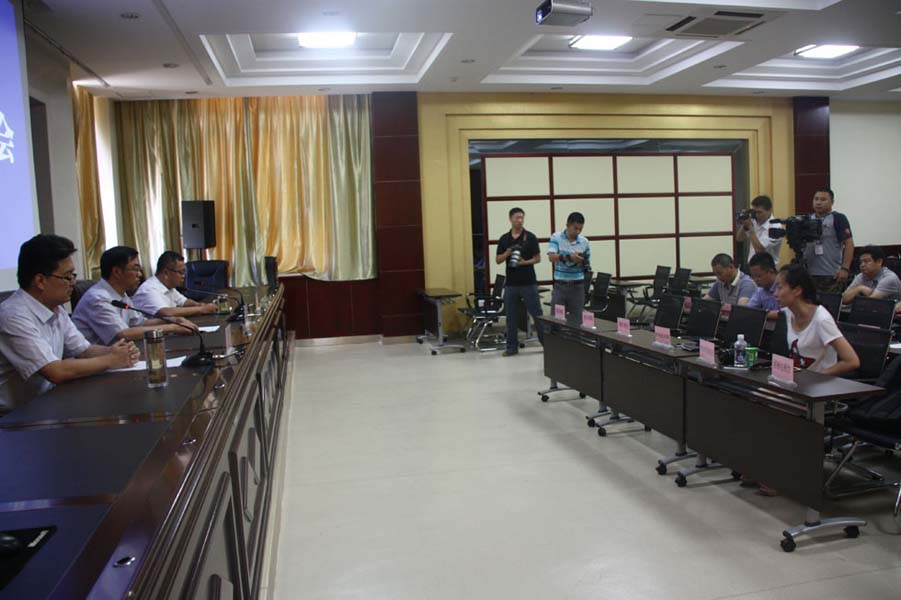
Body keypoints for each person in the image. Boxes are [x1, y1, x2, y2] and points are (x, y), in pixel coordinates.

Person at [0, 235, 139, 412]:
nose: (73, 283)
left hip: (49, 401)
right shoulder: (13, 315)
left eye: (73, 276)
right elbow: (55, 371)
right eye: (67, 277)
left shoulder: (56, 309)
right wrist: (111, 359)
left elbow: (84, 350)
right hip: (14, 417)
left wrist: (117, 351)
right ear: (40, 281)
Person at [73, 246, 197, 345]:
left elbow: (138, 323)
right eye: (135, 269)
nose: (140, 275)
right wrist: (172, 327)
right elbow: (123, 334)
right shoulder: (98, 299)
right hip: (95, 363)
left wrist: (172, 320)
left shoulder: (121, 294)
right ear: (117, 272)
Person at [774, 263, 860, 376]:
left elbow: (852, 361)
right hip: (796, 379)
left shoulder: (822, 320)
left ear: (797, 290)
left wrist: (816, 377)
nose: (775, 294)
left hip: (818, 384)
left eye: (779, 288)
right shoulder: (788, 312)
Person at [495, 208, 542, 357]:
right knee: (511, 317)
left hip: (529, 282)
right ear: (510, 219)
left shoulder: (530, 237)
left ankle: (547, 344)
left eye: (522, 217)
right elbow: (498, 260)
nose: (520, 220)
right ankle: (511, 347)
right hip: (511, 284)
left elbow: (538, 258)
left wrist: (524, 262)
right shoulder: (504, 239)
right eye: (517, 218)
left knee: (537, 315)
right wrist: (507, 253)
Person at [132, 251, 218, 318]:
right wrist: (201, 309)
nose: (183, 276)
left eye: (184, 272)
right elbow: (166, 313)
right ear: (166, 273)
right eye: (180, 272)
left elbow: (184, 302)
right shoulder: (148, 290)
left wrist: (200, 305)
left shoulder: (169, 287)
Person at [802, 188, 854, 293]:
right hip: (809, 274)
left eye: (823, 199)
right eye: (816, 199)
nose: (818, 202)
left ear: (832, 202)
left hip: (831, 274)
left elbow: (849, 244)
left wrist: (845, 269)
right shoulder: (807, 219)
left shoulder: (838, 218)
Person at [548, 212, 590, 326]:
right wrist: (569, 257)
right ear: (567, 225)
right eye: (575, 228)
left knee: (576, 322)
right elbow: (551, 257)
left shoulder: (584, 242)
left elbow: (587, 264)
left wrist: (582, 261)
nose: (578, 232)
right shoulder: (556, 237)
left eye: (580, 229)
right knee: (556, 321)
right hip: (560, 285)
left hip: (578, 286)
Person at [735, 195, 784, 266]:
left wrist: (750, 228)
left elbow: (759, 250)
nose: (757, 215)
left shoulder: (775, 227)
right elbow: (739, 238)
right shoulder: (754, 221)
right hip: (752, 265)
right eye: (755, 212)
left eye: (760, 212)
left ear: (770, 210)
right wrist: (744, 224)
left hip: (766, 267)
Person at [747, 252, 779, 320]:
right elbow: (749, 310)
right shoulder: (760, 290)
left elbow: (785, 314)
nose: (755, 280)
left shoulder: (785, 286)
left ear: (771, 271)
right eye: (753, 277)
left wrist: (761, 314)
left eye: (758, 276)